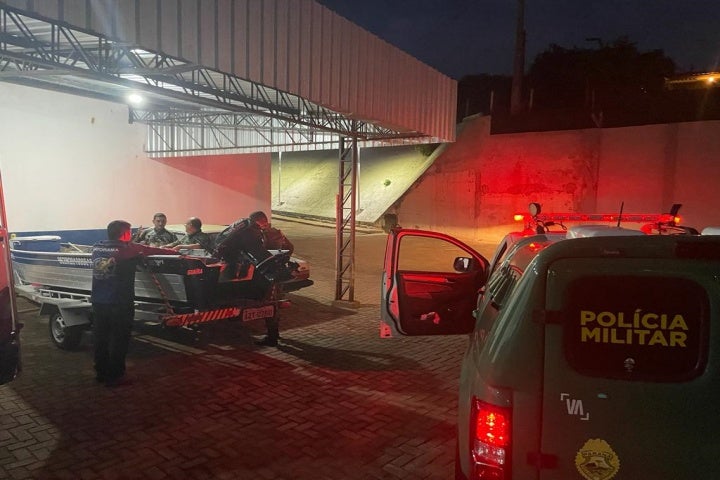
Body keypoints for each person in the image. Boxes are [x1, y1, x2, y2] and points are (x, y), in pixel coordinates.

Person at [91, 220, 176, 387]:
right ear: (124, 234)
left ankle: (101, 372)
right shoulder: (129, 249)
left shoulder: (97, 247)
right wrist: (175, 251)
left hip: (99, 301)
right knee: (119, 338)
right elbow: (154, 250)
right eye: (129, 232)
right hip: (120, 302)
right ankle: (116, 375)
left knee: (101, 337)